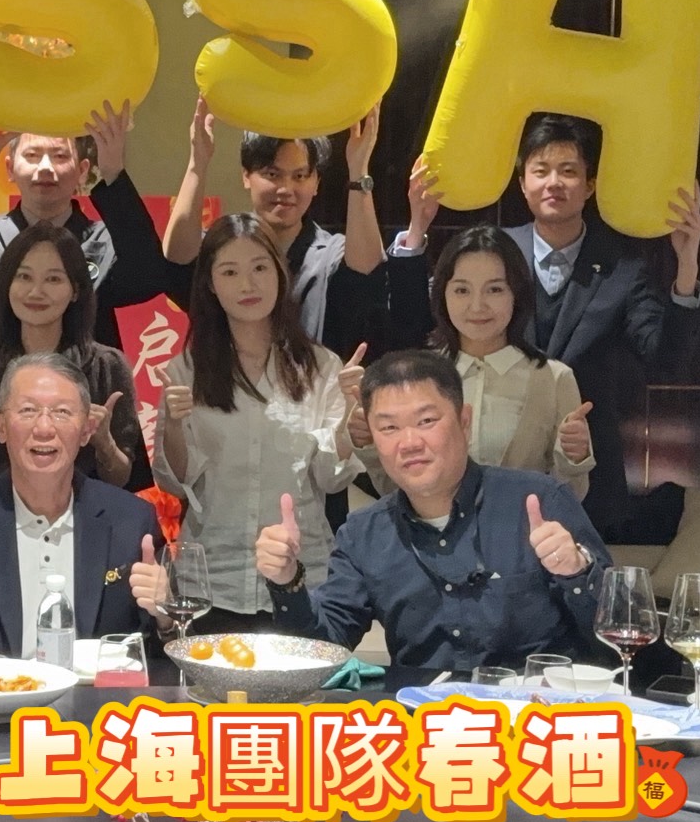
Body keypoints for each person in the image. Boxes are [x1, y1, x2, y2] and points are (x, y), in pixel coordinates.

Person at [389, 115, 700, 542]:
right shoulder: (492, 253)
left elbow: (666, 360)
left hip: (586, 472)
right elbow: (416, 326)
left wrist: (687, 266)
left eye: (568, 171)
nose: (553, 182)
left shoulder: (622, 266)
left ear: (590, 185)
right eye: (541, 170)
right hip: (494, 467)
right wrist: (416, 230)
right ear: (522, 183)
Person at [256, 350, 612, 671]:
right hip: (421, 716)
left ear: (464, 421)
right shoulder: (363, 534)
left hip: (535, 714)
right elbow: (321, 650)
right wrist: (287, 582)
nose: (409, 443)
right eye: (389, 427)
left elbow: (616, 637)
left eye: (426, 421)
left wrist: (576, 571)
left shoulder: (540, 501)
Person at [153, 214, 359, 623]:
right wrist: (173, 426)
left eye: (260, 268)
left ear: (280, 273)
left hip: (301, 577)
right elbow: (175, 482)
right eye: (230, 272)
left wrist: (351, 416)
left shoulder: (321, 368)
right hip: (212, 580)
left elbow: (330, 479)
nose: (247, 285)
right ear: (211, 285)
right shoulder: (186, 370)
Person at [0, 352, 169, 659]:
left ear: (86, 430)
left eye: (62, 412)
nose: (44, 428)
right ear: (0, 427)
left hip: (96, 690)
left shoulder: (131, 521)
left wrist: (166, 615)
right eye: (27, 410)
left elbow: (164, 655)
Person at [0, 98, 170, 356]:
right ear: (10, 169)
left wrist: (113, 173)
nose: (45, 168)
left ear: (82, 171)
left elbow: (146, 280)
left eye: (60, 156)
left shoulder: (106, 239)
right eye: (32, 155)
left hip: (81, 380)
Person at [354, 225, 594, 500]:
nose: (477, 306)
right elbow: (393, 492)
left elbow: (570, 497)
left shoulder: (553, 378)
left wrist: (574, 457)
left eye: (494, 289)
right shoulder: (417, 377)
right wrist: (367, 443)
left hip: (519, 526)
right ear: (442, 294)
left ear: (516, 294)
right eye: (462, 290)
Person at [162, 98, 387, 360]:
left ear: (316, 183)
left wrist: (358, 171)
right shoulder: (226, 247)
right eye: (272, 174)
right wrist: (197, 163)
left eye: (300, 176)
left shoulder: (329, 253)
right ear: (246, 176)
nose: (286, 189)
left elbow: (367, 270)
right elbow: (178, 258)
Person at [0, 222, 146, 490]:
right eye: (24, 277)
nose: (36, 292)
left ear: (75, 290)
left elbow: (120, 478)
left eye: (53, 279)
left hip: (80, 509)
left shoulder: (106, 366)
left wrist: (105, 444)